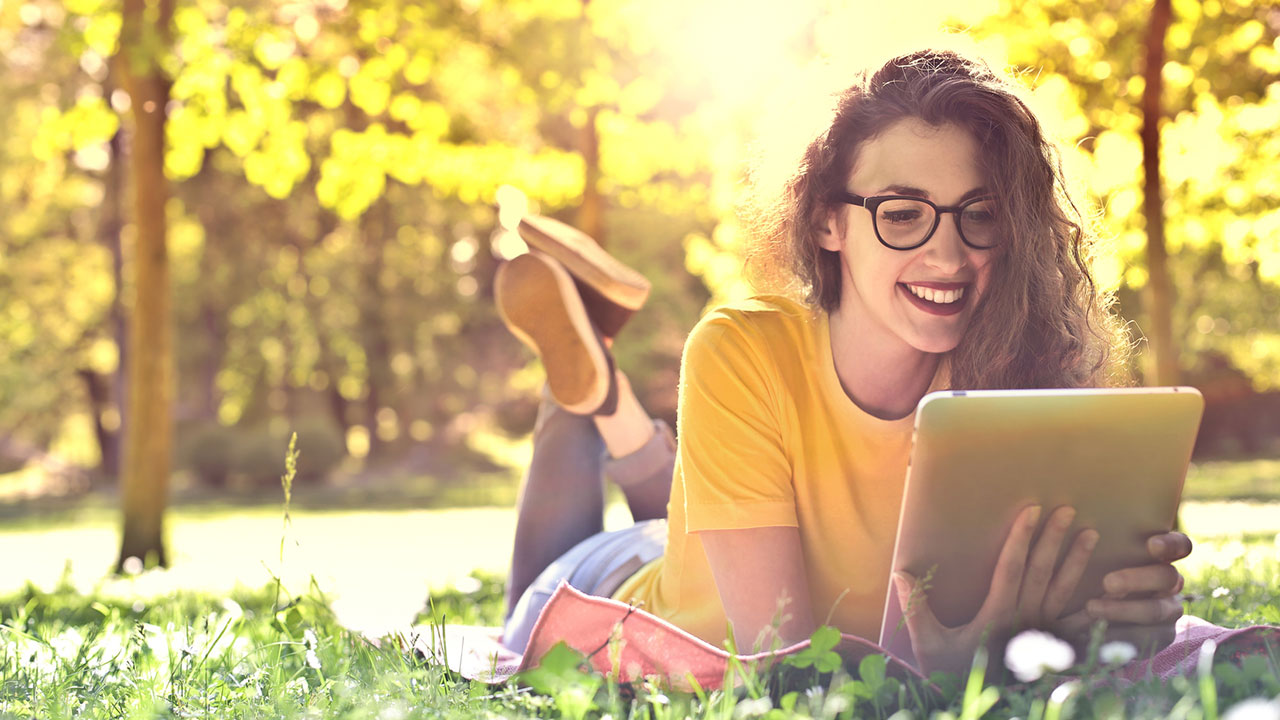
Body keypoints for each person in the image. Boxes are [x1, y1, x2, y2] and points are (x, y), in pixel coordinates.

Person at [492, 48, 1191, 677]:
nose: (949, 257)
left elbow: (1034, 614)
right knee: (530, 598)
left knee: (693, 515)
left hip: (714, 542)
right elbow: (785, 668)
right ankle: (586, 382)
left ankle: (598, 364)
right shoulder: (741, 349)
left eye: (979, 214)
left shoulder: (1017, 368)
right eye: (902, 213)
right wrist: (943, 670)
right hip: (615, 584)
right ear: (828, 219)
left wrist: (1112, 615)